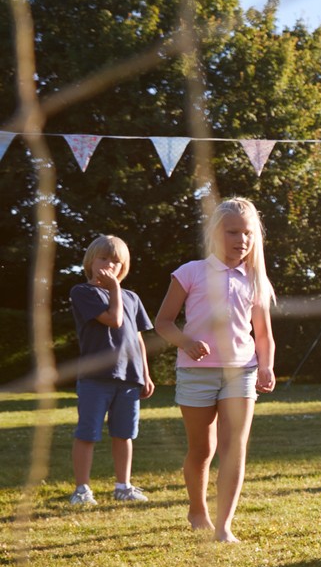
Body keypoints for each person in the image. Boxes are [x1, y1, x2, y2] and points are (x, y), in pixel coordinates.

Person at [153, 198, 276, 542]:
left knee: (234, 448)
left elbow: (264, 335)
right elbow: (163, 322)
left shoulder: (255, 279)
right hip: (197, 374)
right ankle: (197, 510)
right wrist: (186, 342)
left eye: (248, 233)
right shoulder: (190, 272)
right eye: (233, 231)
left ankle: (224, 527)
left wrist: (265, 366)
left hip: (242, 372)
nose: (241, 239)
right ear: (214, 233)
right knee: (201, 450)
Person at [67, 235, 156, 506]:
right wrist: (114, 289)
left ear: (124, 266)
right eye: (103, 259)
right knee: (87, 433)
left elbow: (137, 337)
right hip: (96, 378)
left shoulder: (132, 297)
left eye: (116, 261)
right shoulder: (83, 292)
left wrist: (146, 374)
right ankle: (82, 489)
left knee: (125, 434)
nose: (109, 265)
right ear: (90, 262)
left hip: (128, 377)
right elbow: (114, 320)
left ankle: (123, 486)